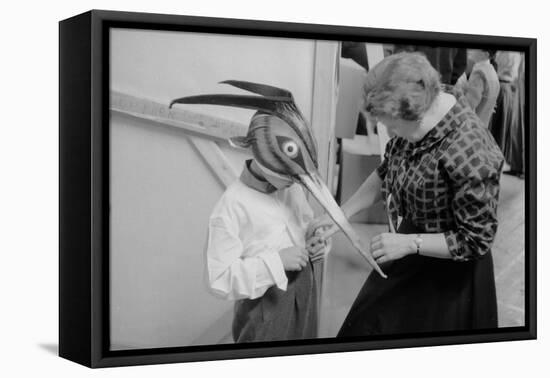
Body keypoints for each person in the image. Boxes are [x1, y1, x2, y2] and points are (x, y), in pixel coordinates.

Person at [310, 52, 504, 336]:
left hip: (449, 276)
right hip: (410, 246)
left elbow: (476, 240)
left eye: (392, 124)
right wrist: (341, 214)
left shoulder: (470, 151)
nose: (389, 130)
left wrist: (411, 243)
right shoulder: (421, 115)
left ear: (417, 112)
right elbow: (386, 171)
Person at [206, 158, 330, 343]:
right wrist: (277, 263)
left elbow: (304, 222)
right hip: (263, 308)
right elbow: (218, 278)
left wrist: (314, 238)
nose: (295, 180)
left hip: (305, 293)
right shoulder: (232, 205)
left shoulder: (292, 186)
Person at [490, 51, 524, 177]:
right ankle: (500, 163)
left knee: (499, 129)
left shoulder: (510, 53)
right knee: (503, 128)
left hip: (504, 87)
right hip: (507, 88)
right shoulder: (513, 54)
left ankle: (495, 164)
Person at [462, 49, 500, 127]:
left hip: (472, 127)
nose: (470, 51)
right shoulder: (492, 71)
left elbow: (469, 105)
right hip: (483, 127)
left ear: (486, 54)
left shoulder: (479, 72)